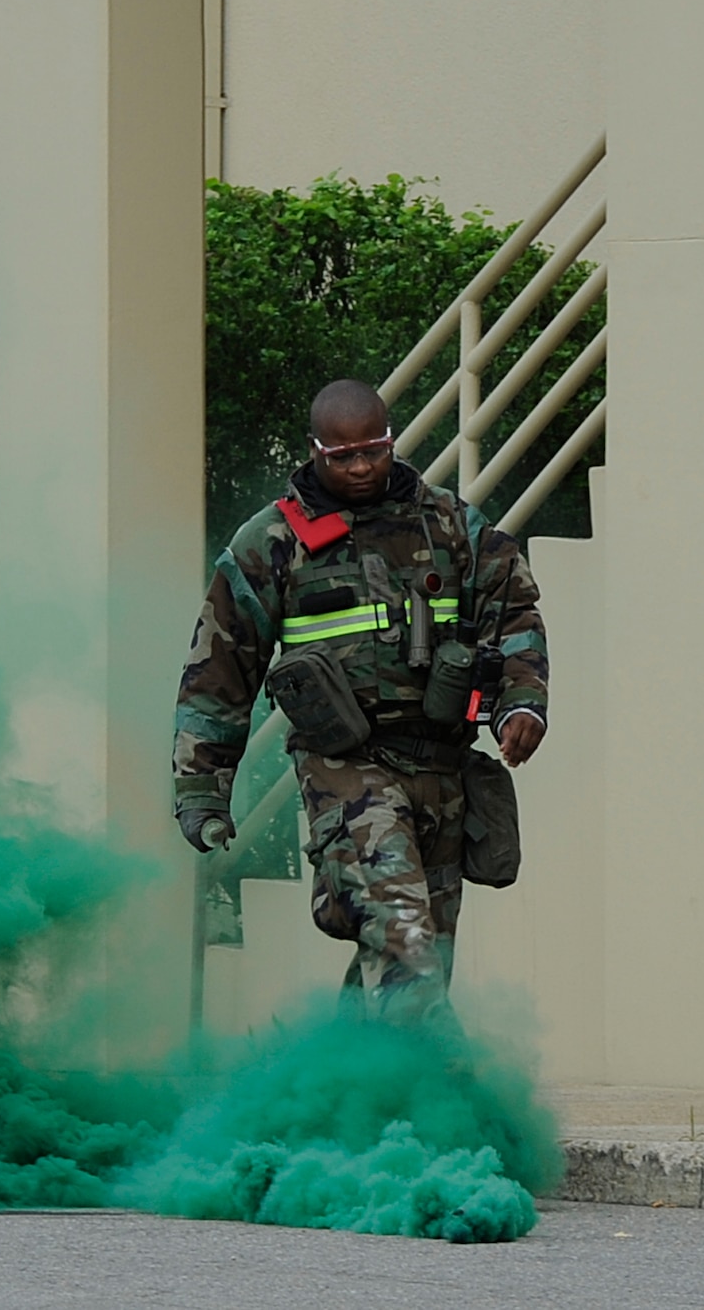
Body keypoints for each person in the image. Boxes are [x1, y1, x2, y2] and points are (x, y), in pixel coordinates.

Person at [172, 378, 548, 1023]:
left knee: (419, 947)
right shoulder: (271, 542)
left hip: (441, 768)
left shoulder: (451, 524)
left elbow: (513, 611)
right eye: (342, 456)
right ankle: (444, 1102)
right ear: (314, 451)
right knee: (403, 938)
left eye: (373, 450)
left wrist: (522, 702)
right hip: (344, 770)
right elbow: (220, 667)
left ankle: (333, 1092)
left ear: (391, 440)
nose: (361, 466)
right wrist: (203, 789)